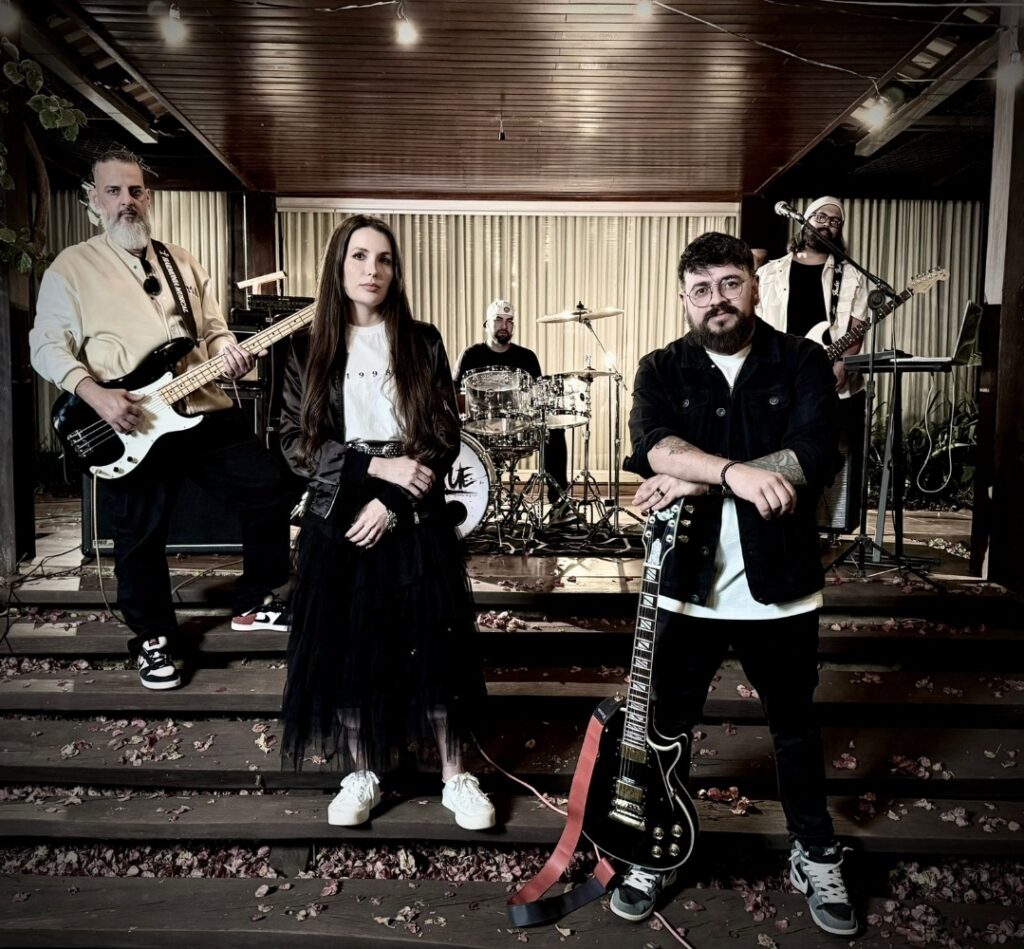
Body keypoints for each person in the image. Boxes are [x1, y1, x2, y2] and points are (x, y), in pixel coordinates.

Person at [618, 232, 855, 936]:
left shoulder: (802, 360)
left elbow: (815, 452)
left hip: (780, 584)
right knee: (667, 725)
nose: (716, 299)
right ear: (683, 298)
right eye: (702, 289)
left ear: (754, 287)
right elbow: (652, 447)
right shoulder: (661, 367)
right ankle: (658, 847)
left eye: (729, 283)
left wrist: (697, 476)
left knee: (794, 725)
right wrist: (734, 474)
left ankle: (814, 851)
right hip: (686, 583)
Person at [29, 148, 291, 692]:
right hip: (131, 420)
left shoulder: (182, 260)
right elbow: (46, 346)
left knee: (269, 487)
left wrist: (230, 351)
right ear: (92, 200)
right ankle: (153, 638)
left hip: (201, 406)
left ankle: (254, 601)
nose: (126, 201)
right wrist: (97, 395)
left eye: (135, 191)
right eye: (113, 191)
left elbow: (213, 330)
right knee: (139, 535)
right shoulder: (71, 268)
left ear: (147, 198)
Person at [277, 215, 495, 831]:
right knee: (347, 648)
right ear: (338, 266)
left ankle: (456, 775)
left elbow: (443, 434)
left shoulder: (422, 341)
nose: (372, 270)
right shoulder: (305, 348)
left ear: (396, 272)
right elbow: (295, 442)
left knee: (436, 647)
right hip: (339, 512)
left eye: (384, 259)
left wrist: (392, 501)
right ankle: (362, 772)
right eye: (359, 256)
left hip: (412, 508)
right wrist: (372, 471)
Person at [756, 196, 869, 529]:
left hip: (822, 377)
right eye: (820, 217)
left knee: (815, 454)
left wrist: (843, 363)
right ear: (804, 220)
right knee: (773, 452)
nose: (827, 224)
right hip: (776, 377)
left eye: (835, 221)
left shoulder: (851, 276)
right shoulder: (770, 272)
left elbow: (857, 326)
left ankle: (812, 529)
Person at [454, 299, 573, 521]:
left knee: (555, 431)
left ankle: (559, 504)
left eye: (509, 321)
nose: (504, 326)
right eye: (498, 320)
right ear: (487, 324)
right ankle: (462, 504)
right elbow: (453, 395)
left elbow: (538, 396)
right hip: (479, 429)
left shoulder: (526, 357)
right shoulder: (471, 354)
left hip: (519, 427)